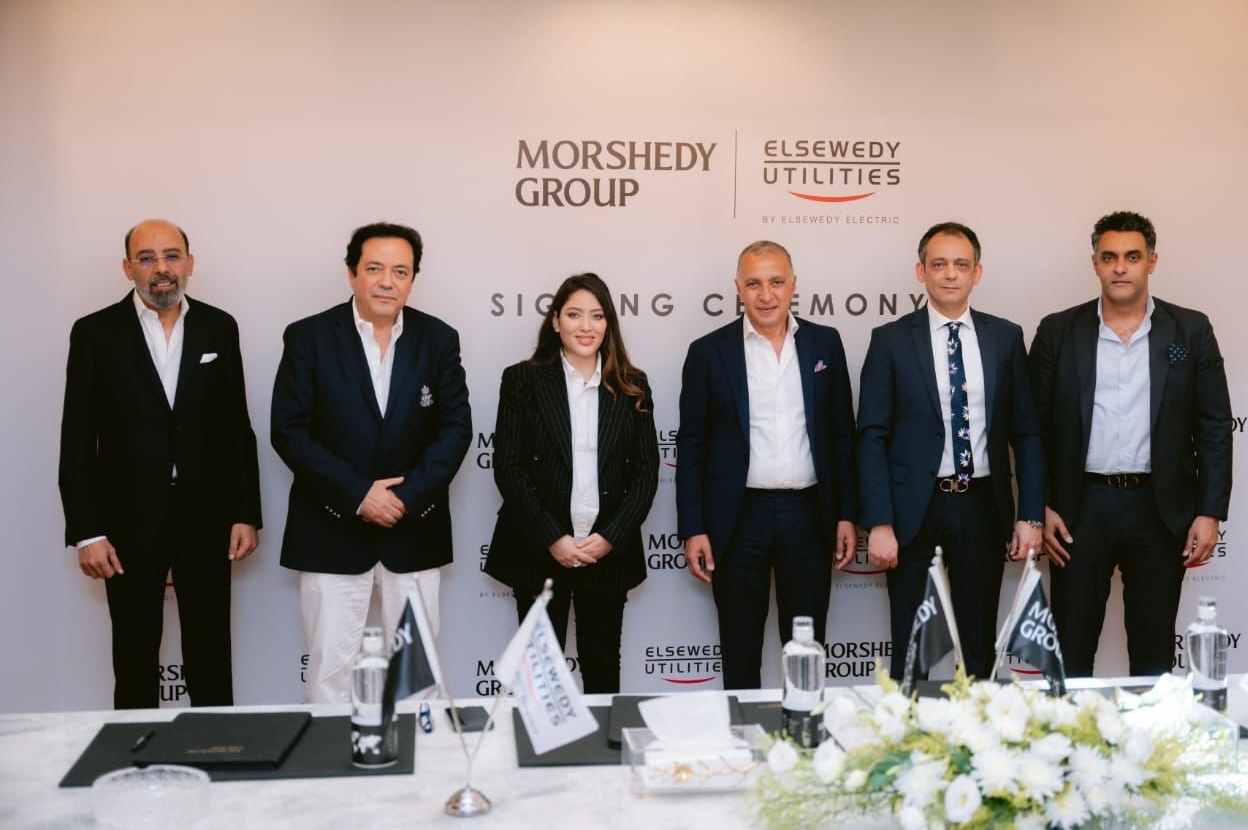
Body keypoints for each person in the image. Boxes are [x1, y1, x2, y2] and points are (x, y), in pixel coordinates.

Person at [58, 219, 262, 709]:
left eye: (171, 256)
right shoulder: (94, 333)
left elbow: (236, 428)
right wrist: (87, 532)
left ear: (190, 264)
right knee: (133, 659)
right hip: (126, 524)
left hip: (207, 519)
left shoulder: (219, 327)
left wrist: (245, 513)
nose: (161, 268)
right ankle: (137, 753)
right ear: (127, 268)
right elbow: (78, 440)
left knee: (211, 657)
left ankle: (218, 749)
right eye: (147, 258)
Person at [271, 222, 471, 703]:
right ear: (352, 273)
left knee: (416, 678)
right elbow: (289, 431)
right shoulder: (309, 337)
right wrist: (360, 495)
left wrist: (403, 498)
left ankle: (418, 755)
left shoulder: (438, 338)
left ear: (413, 279)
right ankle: (332, 757)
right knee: (331, 676)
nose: (387, 281)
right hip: (331, 531)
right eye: (375, 268)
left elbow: (455, 429)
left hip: (413, 528)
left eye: (400, 271)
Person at [1029, 210, 1232, 677]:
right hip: (1079, 510)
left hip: (1159, 510)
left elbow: (1215, 426)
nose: (1120, 267)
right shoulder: (1058, 331)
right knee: (1070, 653)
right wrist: (1041, 505)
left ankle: (1150, 728)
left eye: (1132, 256)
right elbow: (1032, 429)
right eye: (1109, 257)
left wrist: (1210, 511)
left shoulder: (1190, 330)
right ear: (1095, 264)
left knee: (1153, 654)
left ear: (1152, 262)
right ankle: (1070, 729)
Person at [856, 222, 1045, 681]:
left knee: (978, 646)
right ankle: (906, 726)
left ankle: (974, 727)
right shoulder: (890, 339)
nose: (950, 274)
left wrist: (1031, 515)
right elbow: (872, 435)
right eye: (939, 264)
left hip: (981, 507)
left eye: (961, 264)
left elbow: (1026, 433)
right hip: (912, 512)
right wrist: (879, 522)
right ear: (921, 271)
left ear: (977, 273)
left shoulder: (1005, 337)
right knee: (910, 649)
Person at [677, 240, 856, 689]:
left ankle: (804, 731)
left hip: (809, 516)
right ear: (737, 288)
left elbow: (842, 436)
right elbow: (692, 445)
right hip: (738, 519)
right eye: (754, 283)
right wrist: (693, 527)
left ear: (793, 284)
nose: (766, 294)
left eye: (776, 282)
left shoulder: (825, 343)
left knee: (805, 652)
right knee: (740, 650)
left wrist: (847, 515)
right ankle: (743, 732)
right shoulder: (708, 352)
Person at [484, 273, 659, 694]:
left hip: (607, 554)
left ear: (608, 323)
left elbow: (646, 473)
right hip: (538, 550)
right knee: (540, 681)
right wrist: (553, 537)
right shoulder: (522, 380)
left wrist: (610, 537)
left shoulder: (632, 384)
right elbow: (508, 467)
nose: (586, 326)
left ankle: (603, 743)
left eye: (597, 316)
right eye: (575, 314)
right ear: (556, 321)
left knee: (603, 670)